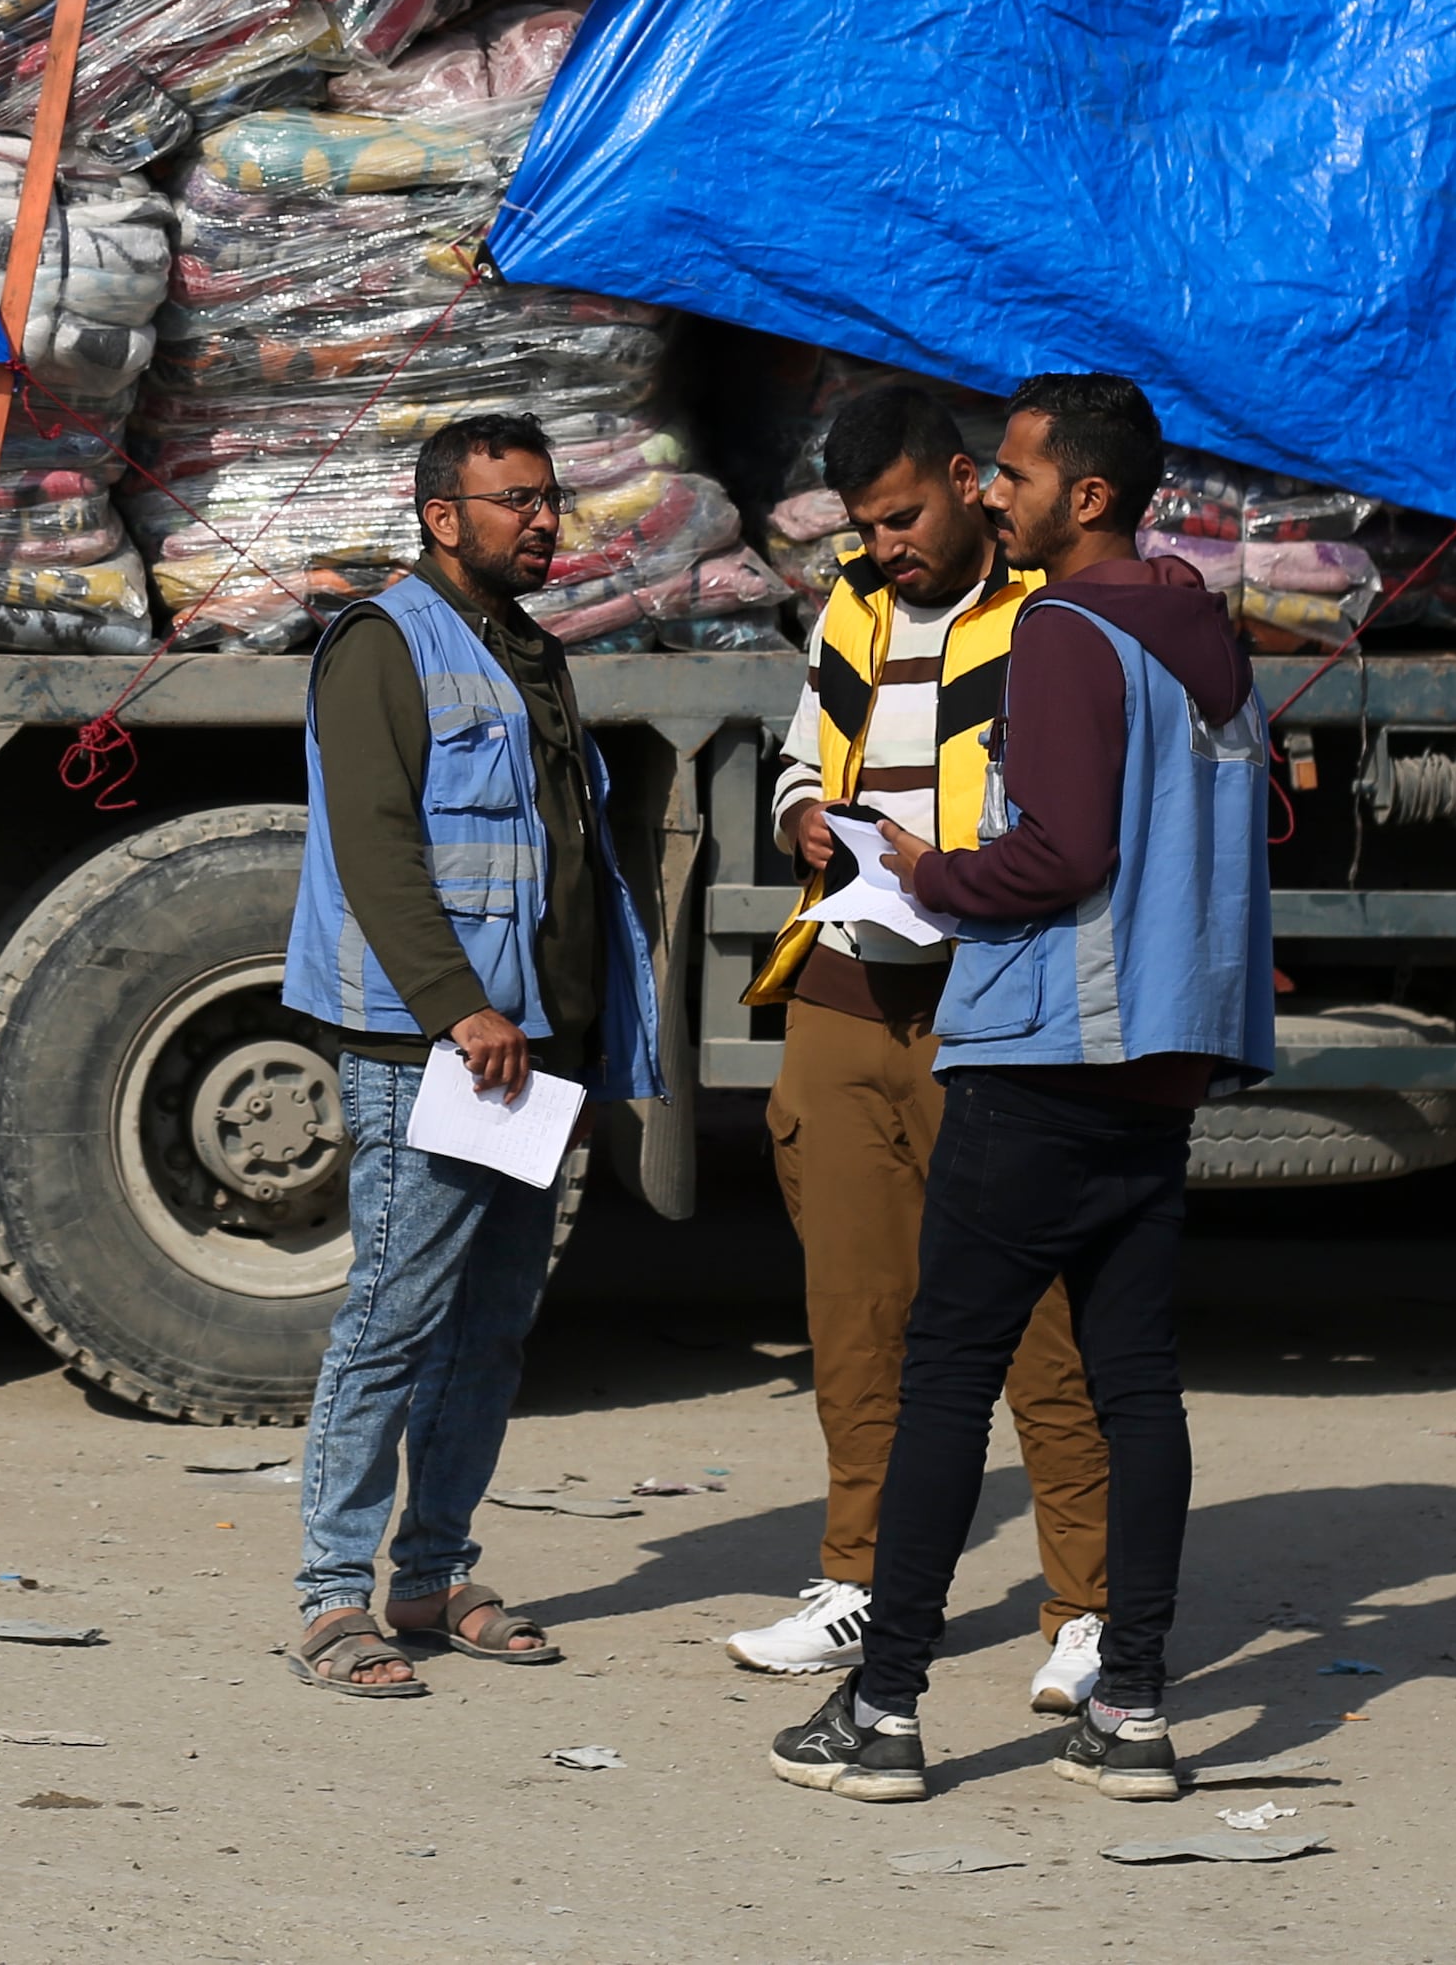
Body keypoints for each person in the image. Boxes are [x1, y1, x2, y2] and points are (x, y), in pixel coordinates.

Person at [769, 372, 1272, 1806]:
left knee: (945, 1379)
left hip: (1047, 1048)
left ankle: (884, 1709)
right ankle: (1133, 1709)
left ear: (1088, 494)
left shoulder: (1065, 627)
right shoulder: (1204, 635)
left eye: (1020, 472)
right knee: (1139, 1385)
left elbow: (1056, 854)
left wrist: (929, 871)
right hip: (1162, 1064)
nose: (998, 489)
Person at [719, 379, 1115, 1718]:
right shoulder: (851, 609)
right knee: (854, 1306)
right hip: (840, 986)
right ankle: (859, 1579)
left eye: (902, 517)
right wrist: (804, 822)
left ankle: (1087, 1605)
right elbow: (796, 749)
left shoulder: (1043, 616)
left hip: (986, 998)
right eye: (868, 526)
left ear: (966, 480)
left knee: (1032, 1320)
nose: (886, 543)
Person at [279, 409, 658, 1700]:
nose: (545, 520)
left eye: (550, 498)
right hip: (433, 1045)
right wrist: (457, 1006)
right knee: (395, 1310)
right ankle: (335, 1599)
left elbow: (564, 862)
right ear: (443, 514)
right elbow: (378, 847)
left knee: (492, 1324)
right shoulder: (382, 644)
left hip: (532, 1050)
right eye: (515, 500)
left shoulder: (531, 652)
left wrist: (588, 1053)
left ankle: (431, 1570)